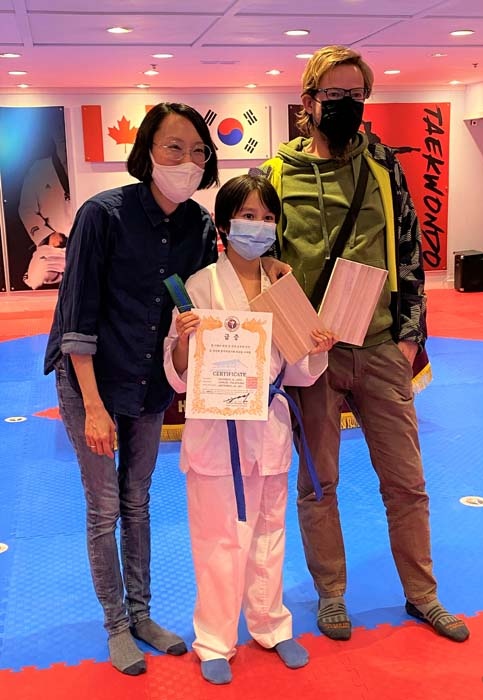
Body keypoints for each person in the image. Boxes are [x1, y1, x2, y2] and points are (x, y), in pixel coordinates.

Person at [261, 45, 470, 644]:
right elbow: (263, 260)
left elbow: (410, 251)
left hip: (380, 348)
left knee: (407, 482)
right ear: (308, 101)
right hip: (312, 356)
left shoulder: (382, 167)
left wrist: (408, 341)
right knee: (318, 483)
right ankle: (331, 594)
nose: (348, 106)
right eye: (335, 95)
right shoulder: (277, 175)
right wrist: (286, 340)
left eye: (357, 95)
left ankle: (423, 594)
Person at [43, 102, 222, 675]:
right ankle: (116, 625)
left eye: (198, 151)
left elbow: (198, 302)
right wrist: (93, 408)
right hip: (91, 380)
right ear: (147, 152)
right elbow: (77, 317)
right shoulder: (103, 215)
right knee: (103, 508)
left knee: (138, 500)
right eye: (174, 147)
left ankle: (142, 614)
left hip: (149, 381)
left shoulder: (199, 226)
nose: (187, 161)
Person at [163, 174, 335, 685]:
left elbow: (300, 372)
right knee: (218, 540)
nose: (258, 226)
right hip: (218, 432)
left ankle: (271, 625)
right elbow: (178, 375)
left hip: (270, 426)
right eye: (248, 216)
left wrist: (316, 346)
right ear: (224, 224)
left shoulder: (284, 287)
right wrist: (184, 341)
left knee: (270, 533)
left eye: (267, 217)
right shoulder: (199, 286)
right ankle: (215, 639)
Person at [18, 135, 72, 289]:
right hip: (55, 249)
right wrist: (47, 236)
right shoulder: (39, 169)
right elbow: (27, 209)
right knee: (41, 278)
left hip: (87, 246)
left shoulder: (88, 169)